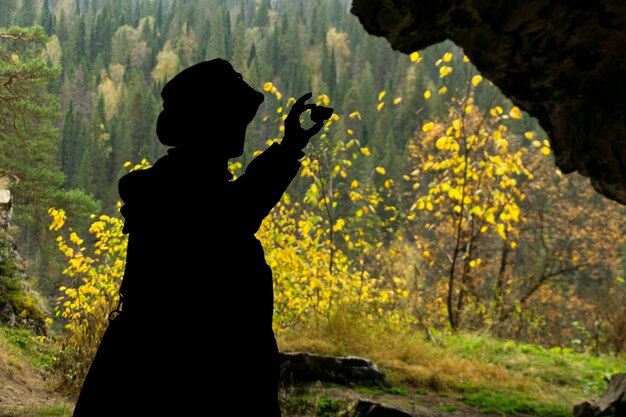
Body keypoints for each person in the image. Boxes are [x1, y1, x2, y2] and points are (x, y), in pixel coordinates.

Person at [72, 58, 332, 416]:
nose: (241, 127)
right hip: (200, 375)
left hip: (149, 366)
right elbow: (234, 210)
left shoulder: (167, 189)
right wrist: (288, 147)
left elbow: (236, 204)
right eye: (235, 117)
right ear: (209, 123)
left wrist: (289, 147)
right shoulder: (185, 195)